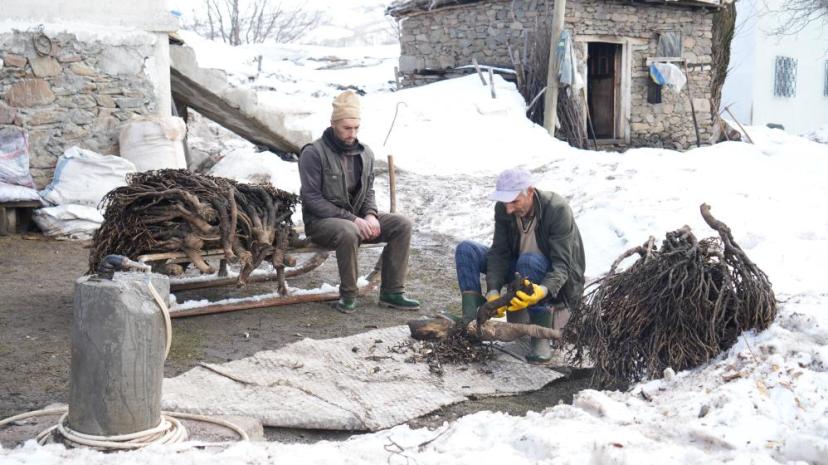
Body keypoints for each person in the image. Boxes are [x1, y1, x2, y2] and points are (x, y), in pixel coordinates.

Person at [298, 91, 419, 314]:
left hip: (355, 218)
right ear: (333, 124)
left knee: (401, 224)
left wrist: (371, 214)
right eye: (346, 128)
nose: (352, 134)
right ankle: (348, 295)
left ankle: (392, 292)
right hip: (320, 223)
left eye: (356, 128)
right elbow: (311, 199)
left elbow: (368, 191)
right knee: (349, 230)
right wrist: (354, 219)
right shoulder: (313, 153)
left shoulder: (365, 153)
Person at [454, 168, 585, 363]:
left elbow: (563, 265)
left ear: (530, 191)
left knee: (529, 261)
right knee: (466, 250)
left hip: (552, 281)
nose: (508, 209)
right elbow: (499, 252)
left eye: (514, 201)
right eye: (505, 203)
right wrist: (493, 291)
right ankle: (472, 323)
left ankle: (540, 336)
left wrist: (542, 291)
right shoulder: (504, 209)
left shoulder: (557, 209)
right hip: (519, 269)